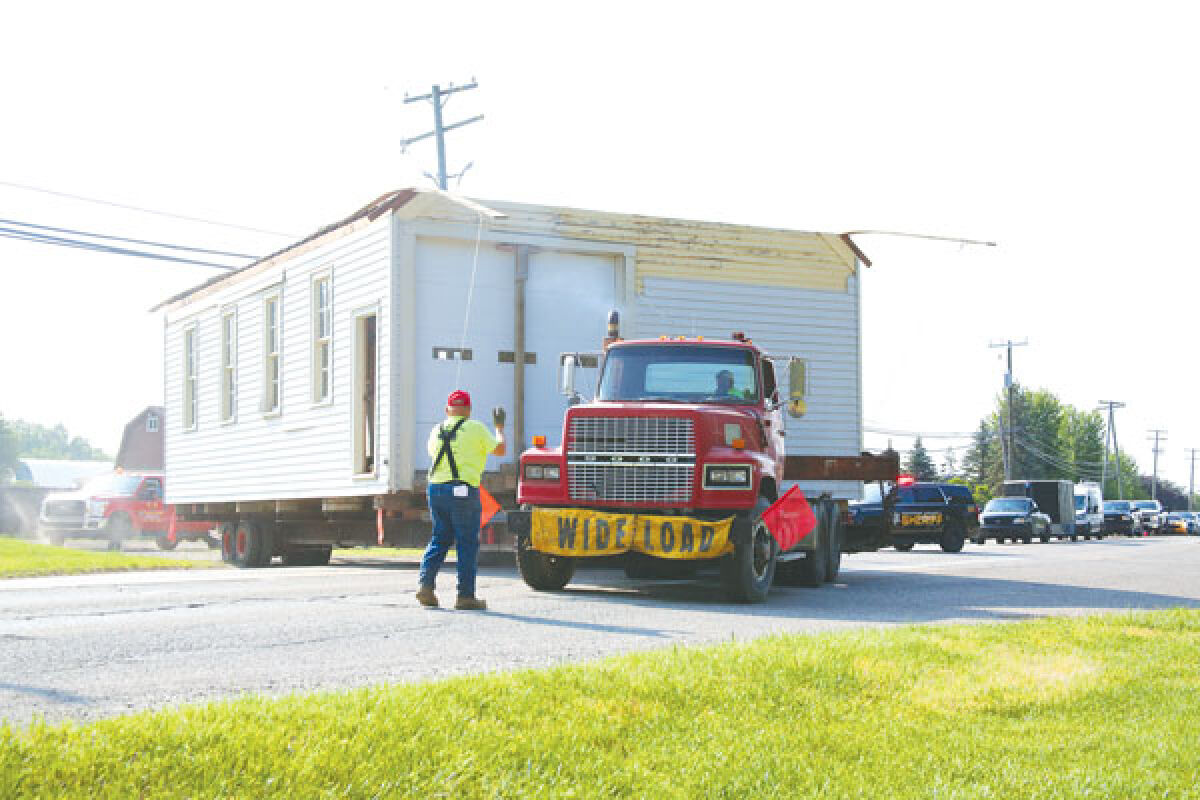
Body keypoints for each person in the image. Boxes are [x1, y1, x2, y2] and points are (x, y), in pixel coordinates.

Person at [416, 389, 505, 610]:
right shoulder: (476, 428)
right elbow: (501, 450)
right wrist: (499, 428)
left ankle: (425, 586)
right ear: (468, 410)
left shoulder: (436, 429)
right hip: (462, 491)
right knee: (466, 543)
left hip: (435, 489)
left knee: (439, 538)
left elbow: (431, 453)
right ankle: (465, 596)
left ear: (447, 410)